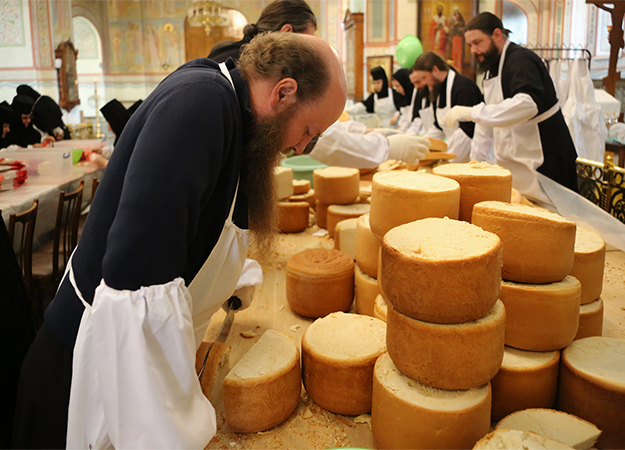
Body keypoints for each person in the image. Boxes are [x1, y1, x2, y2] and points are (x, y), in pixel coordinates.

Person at [13, 32, 347, 449]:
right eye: (308, 130)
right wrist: (176, 430)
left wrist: (230, 278)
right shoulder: (200, 105)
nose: (301, 146)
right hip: (93, 378)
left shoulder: (231, 113)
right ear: (284, 92)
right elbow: (137, 283)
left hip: (132, 372)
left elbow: (198, 231)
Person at [445, 12, 579, 205]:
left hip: (543, 160)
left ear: (497, 35)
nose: (473, 50)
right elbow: (486, 124)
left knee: (555, 215)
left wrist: (473, 112)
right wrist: (475, 164)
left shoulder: (521, 60)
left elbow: (527, 104)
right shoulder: (491, 69)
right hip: (516, 161)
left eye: (478, 42)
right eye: (470, 46)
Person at [412, 51, 483, 161]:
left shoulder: (463, 87)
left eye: (424, 77)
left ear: (435, 70)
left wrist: (443, 158)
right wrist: (422, 146)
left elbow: (468, 131)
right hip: (454, 150)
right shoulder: (438, 89)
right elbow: (438, 127)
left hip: (471, 156)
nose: (424, 83)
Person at [207, 0, 317, 63]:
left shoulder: (225, 50)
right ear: (287, 32)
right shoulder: (255, 67)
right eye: (307, 43)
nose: (308, 52)